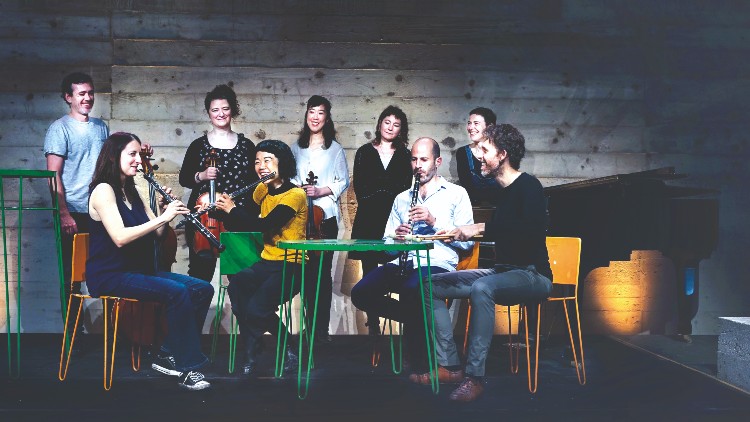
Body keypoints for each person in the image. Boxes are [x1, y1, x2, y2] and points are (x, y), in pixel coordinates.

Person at [412, 124, 553, 402]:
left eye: (484, 150)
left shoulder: (529, 186)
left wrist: (477, 229)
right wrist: (460, 233)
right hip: (504, 271)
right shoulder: (504, 192)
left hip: (533, 275)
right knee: (430, 284)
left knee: (482, 289)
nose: (478, 155)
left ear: (502, 154)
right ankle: (450, 365)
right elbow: (503, 230)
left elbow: (529, 232)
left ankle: (474, 378)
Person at [87, 132, 214, 391]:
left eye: (138, 154)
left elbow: (156, 234)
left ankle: (168, 354)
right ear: (114, 157)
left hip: (136, 271)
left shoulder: (130, 190)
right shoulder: (103, 191)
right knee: (177, 292)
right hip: (110, 275)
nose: (138, 160)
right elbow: (120, 238)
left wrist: (162, 210)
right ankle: (187, 367)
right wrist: (163, 216)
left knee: (202, 289)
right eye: (132, 154)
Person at [350, 137, 474, 373]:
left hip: (437, 263)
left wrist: (433, 221)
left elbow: (467, 245)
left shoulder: (456, 194)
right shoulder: (402, 198)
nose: (418, 165)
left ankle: (418, 361)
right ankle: (419, 324)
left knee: (411, 289)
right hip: (404, 263)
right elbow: (387, 247)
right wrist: (397, 238)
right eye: (414, 159)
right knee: (361, 293)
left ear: (437, 161)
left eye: (424, 159)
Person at [212, 139, 306, 378]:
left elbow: (265, 225)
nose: (261, 166)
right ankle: (257, 344)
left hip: (292, 265)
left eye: (267, 160)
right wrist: (220, 211)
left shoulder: (296, 195)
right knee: (238, 288)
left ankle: (277, 346)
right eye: (257, 161)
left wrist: (234, 210)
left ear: (281, 163)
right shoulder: (261, 190)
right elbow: (243, 222)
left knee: (255, 310)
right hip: (267, 262)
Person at [44, 72, 110, 349]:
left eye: (90, 93)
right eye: (81, 93)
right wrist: (63, 213)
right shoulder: (59, 128)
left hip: (100, 211)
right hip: (73, 211)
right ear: (68, 98)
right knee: (72, 277)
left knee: (103, 270)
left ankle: (111, 333)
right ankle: (72, 336)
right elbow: (52, 175)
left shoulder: (100, 127)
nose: (87, 98)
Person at [179, 84, 259, 282]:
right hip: (205, 218)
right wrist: (202, 176)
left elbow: (254, 183)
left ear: (233, 110)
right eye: (215, 110)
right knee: (199, 276)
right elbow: (185, 178)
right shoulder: (198, 145)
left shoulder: (246, 146)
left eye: (225, 108)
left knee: (241, 279)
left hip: (236, 217)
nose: (220, 114)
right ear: (209, 113)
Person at [349, 105, 413, 335]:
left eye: (396, 125)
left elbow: (406, 188)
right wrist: (384, 194)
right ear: (379, 124)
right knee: (369, 270)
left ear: (401, 130)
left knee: (398, 268)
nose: (390, 127)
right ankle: (373, 322)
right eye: (387, 122)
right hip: (369, 217)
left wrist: (388, 197)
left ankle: (406, 323)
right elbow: (361, 187)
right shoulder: (365, 152)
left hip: (395, 218)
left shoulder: (405, 154)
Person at [290, 95, 349, 343]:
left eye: (320, 112)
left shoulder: (335, 149)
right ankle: (307, 325)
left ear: (327, 117)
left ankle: (320, 330)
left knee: (322, 272)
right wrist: (300, 189)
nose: (315, 117)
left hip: (325, 217)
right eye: (311, 112)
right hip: (301, 216)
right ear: (306, 115)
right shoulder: (296, 148)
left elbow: (343, 181)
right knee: (304, 271)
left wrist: (320, 190)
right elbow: (289, 178)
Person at [455, 107, 499, 206]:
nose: (470, 127)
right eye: (469, 123)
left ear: (490, 127)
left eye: (476, 123)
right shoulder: (462, 153)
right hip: (472, 209)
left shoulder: (501, 152)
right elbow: (466, 187)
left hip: (500, 209)